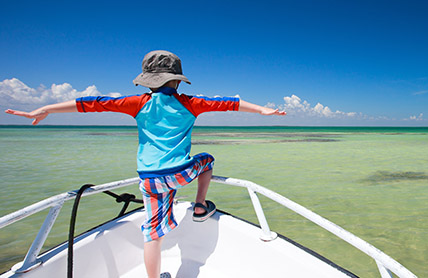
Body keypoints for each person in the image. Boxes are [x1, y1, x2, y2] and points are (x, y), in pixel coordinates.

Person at [5, 50, 286, 278]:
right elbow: (230, 104)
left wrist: (45, 109)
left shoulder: (136, 103)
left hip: (149, 178)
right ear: (177, 80)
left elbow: (91, 103)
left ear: (147, 81)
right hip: (179, 174)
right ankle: (200, 206)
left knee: (152, 234)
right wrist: (263, 110)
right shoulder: (192, 103)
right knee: (207, 161)